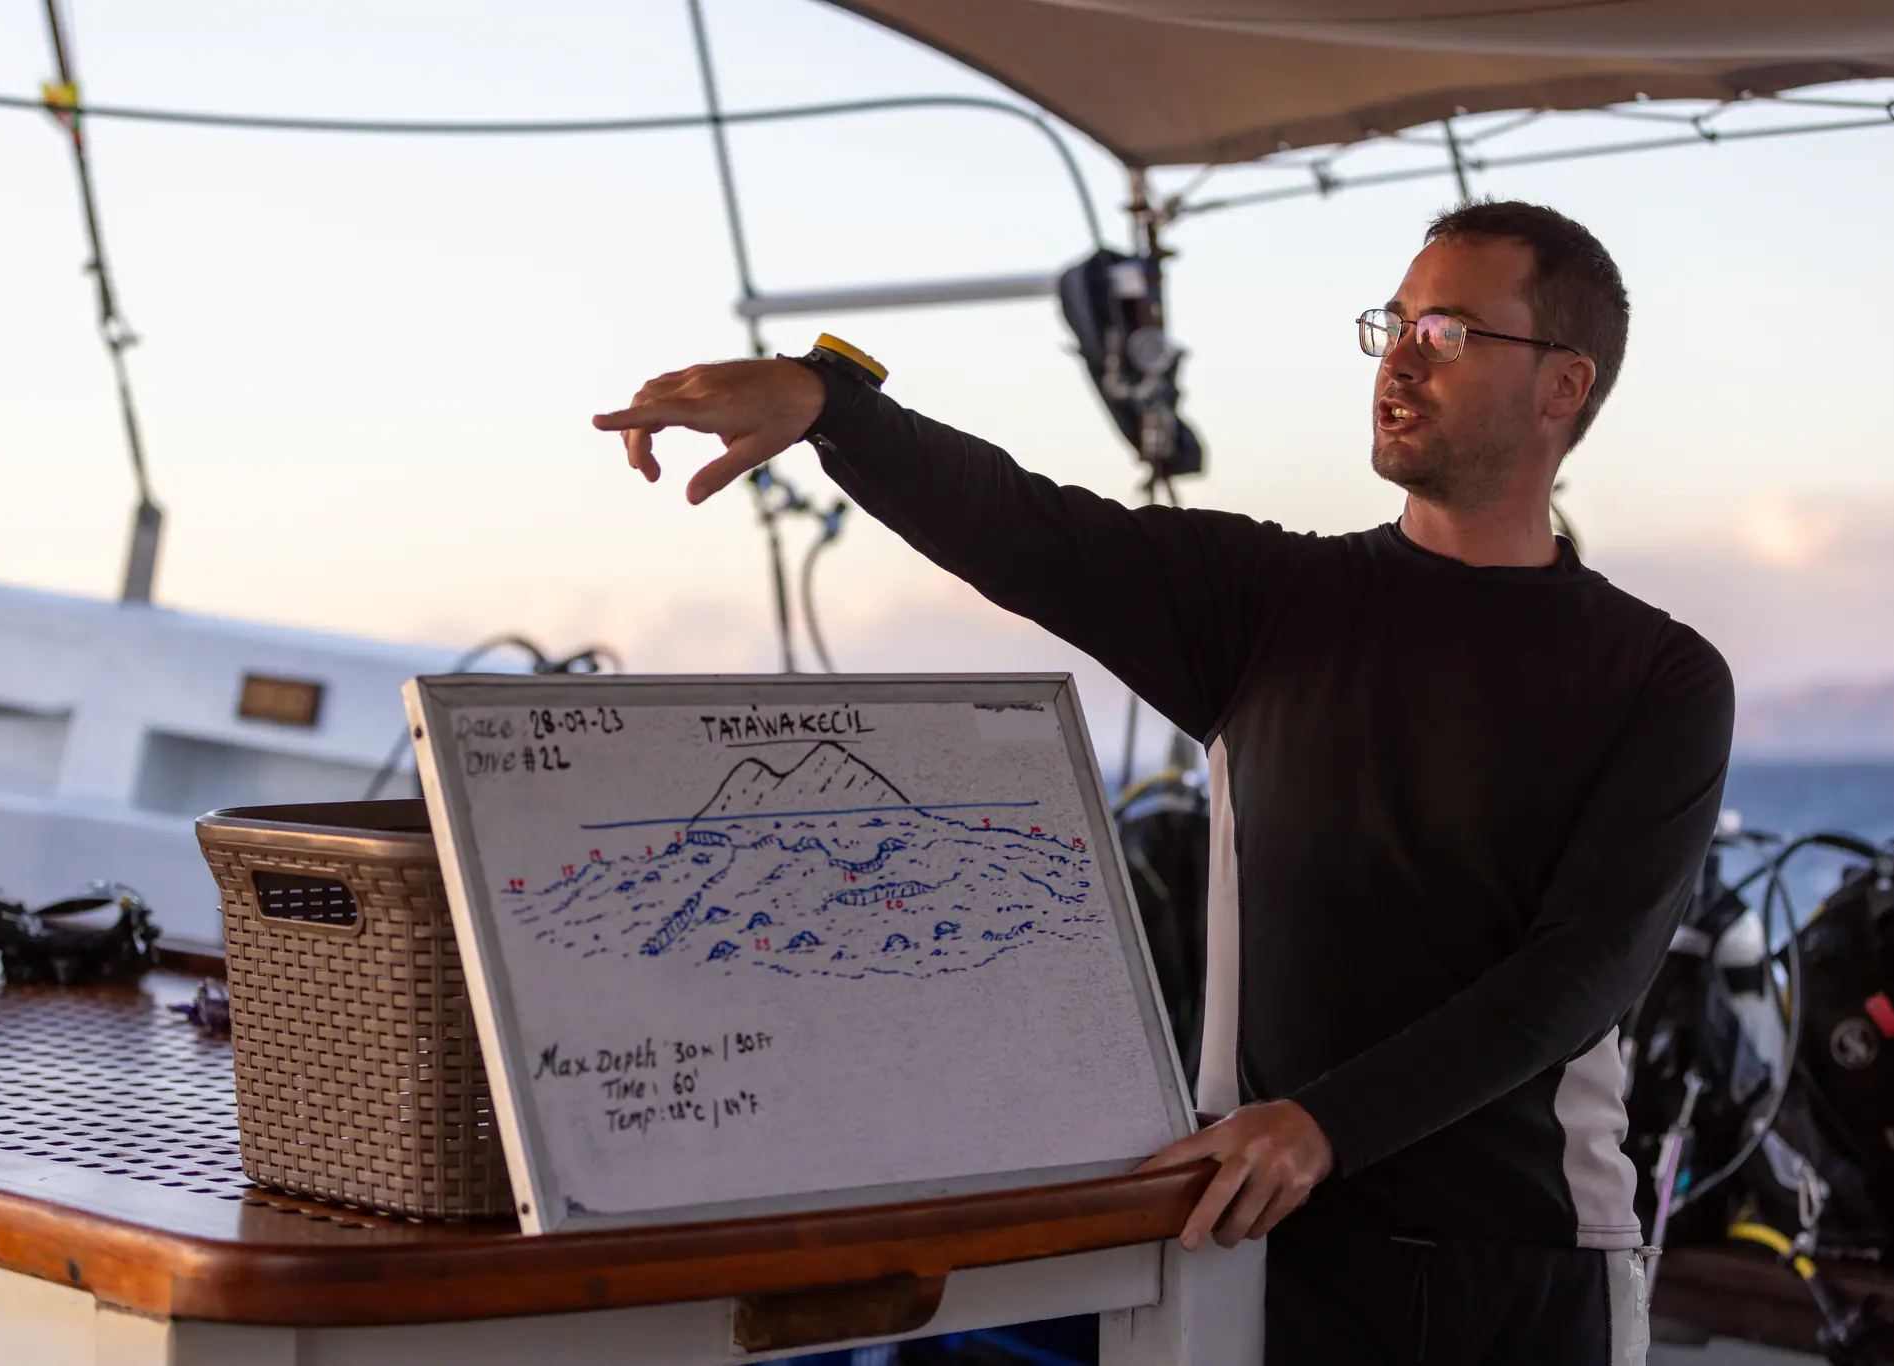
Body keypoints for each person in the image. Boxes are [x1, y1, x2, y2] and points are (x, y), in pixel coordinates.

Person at [594, 199, 1735, 1365]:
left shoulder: (1657, 676)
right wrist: (832, 407)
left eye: (1443, 333)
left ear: (1561, 386)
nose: (1395, 358)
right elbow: (1025, 527)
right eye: (1388, 325)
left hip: (1528, 1268)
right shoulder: (1266, 607)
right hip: (1271, 1243)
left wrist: (1323, 1124)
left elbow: (1583, 968)